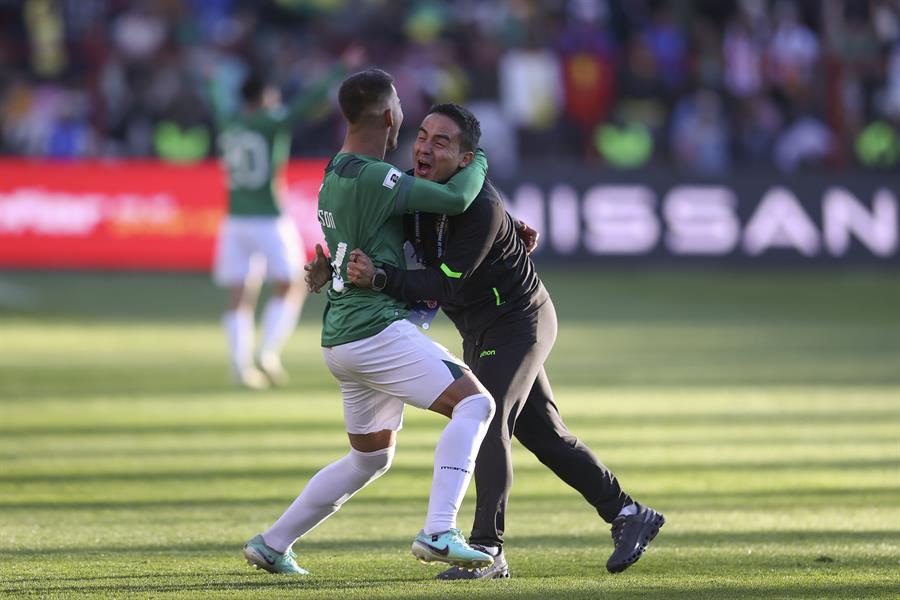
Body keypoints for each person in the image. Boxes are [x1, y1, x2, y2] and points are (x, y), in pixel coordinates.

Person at [339, 103, 664, 579]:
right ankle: (630, 514)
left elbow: (442, 284)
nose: (425, 147)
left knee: (486, 418)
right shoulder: (412, 190)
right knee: (545, 436)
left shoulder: (482, 207)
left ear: (468, 159)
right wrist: (329, 266)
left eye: (441, 142)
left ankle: (489, 550)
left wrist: (382, 279)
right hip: (480, 328)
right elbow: (371, 235)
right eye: (423, 136)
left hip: (520, 320)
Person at [242, 70, 497, 575]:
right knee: (476, 404)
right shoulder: (374, 177)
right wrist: (479, 157)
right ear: (389, 116)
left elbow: (352, 242)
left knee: (369, 459)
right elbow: (455, 199)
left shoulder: (336, 168)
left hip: (342, 339)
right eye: (401, 106)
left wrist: (327, 267)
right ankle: (439, 531)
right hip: (373, 331)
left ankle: (273, 543)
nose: (406, 116)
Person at [207, 64, 345, 389]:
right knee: (293, 283)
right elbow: (307, 105)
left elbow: (218, 101)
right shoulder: (270, 122)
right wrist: (338, 70)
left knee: (239, 294)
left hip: (234, 219)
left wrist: (212, 81)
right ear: (265, 96)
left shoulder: (230, 121)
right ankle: (267, 352)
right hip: (268, 216)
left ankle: (240, 365)